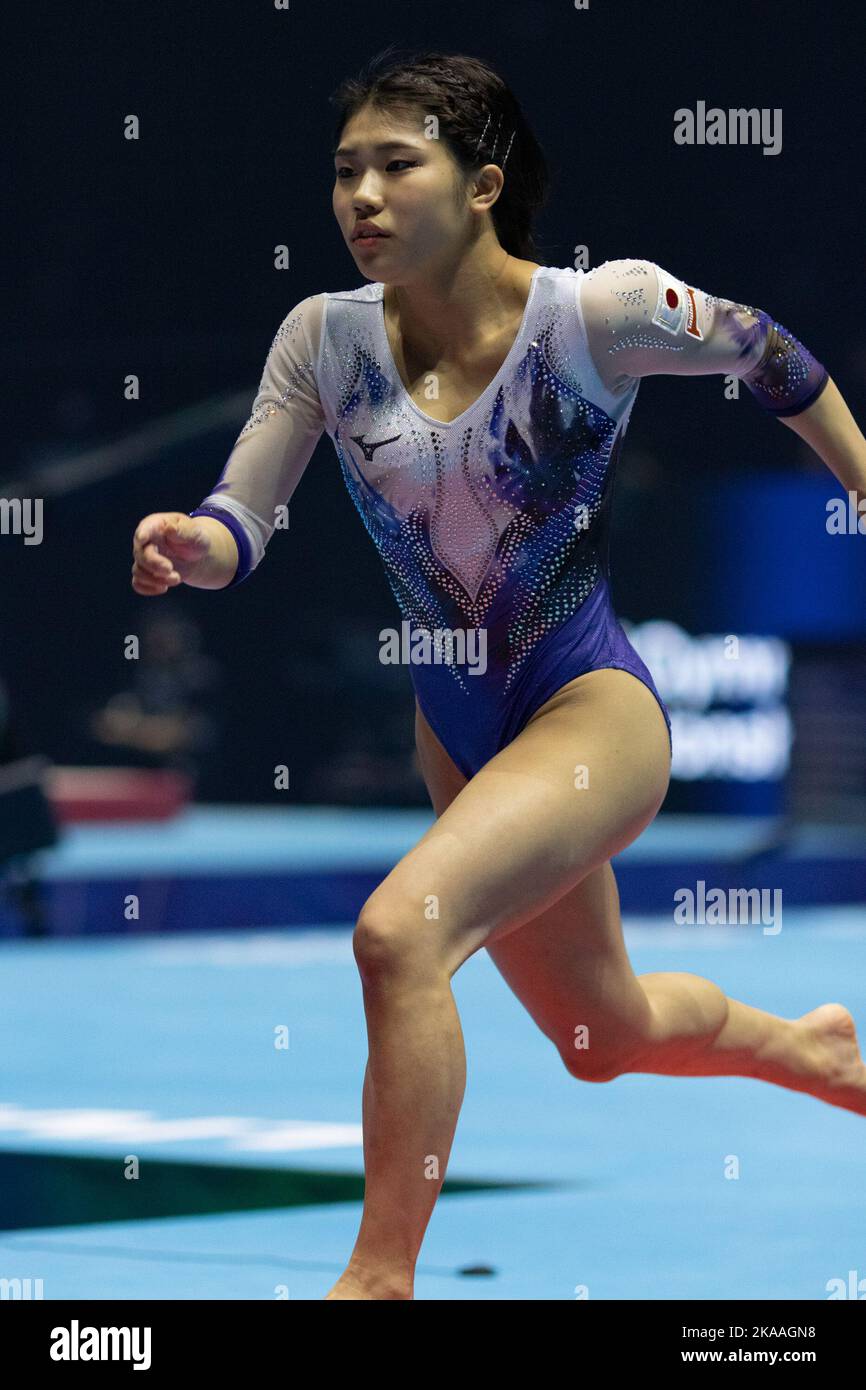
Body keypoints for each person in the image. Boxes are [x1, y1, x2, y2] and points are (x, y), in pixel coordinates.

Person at [131, 49, 866, 1300]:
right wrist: (190, 546)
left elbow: (773, 357)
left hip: (591, 715)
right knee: (605, 1035)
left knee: (396, 936)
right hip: (459, 732)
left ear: (481, 184)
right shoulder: (322, 338)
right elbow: (239, 521)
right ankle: (813, 1049)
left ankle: (376, 1281)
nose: (359, 195)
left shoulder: (597, 313)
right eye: (343, 171)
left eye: (393, 165)